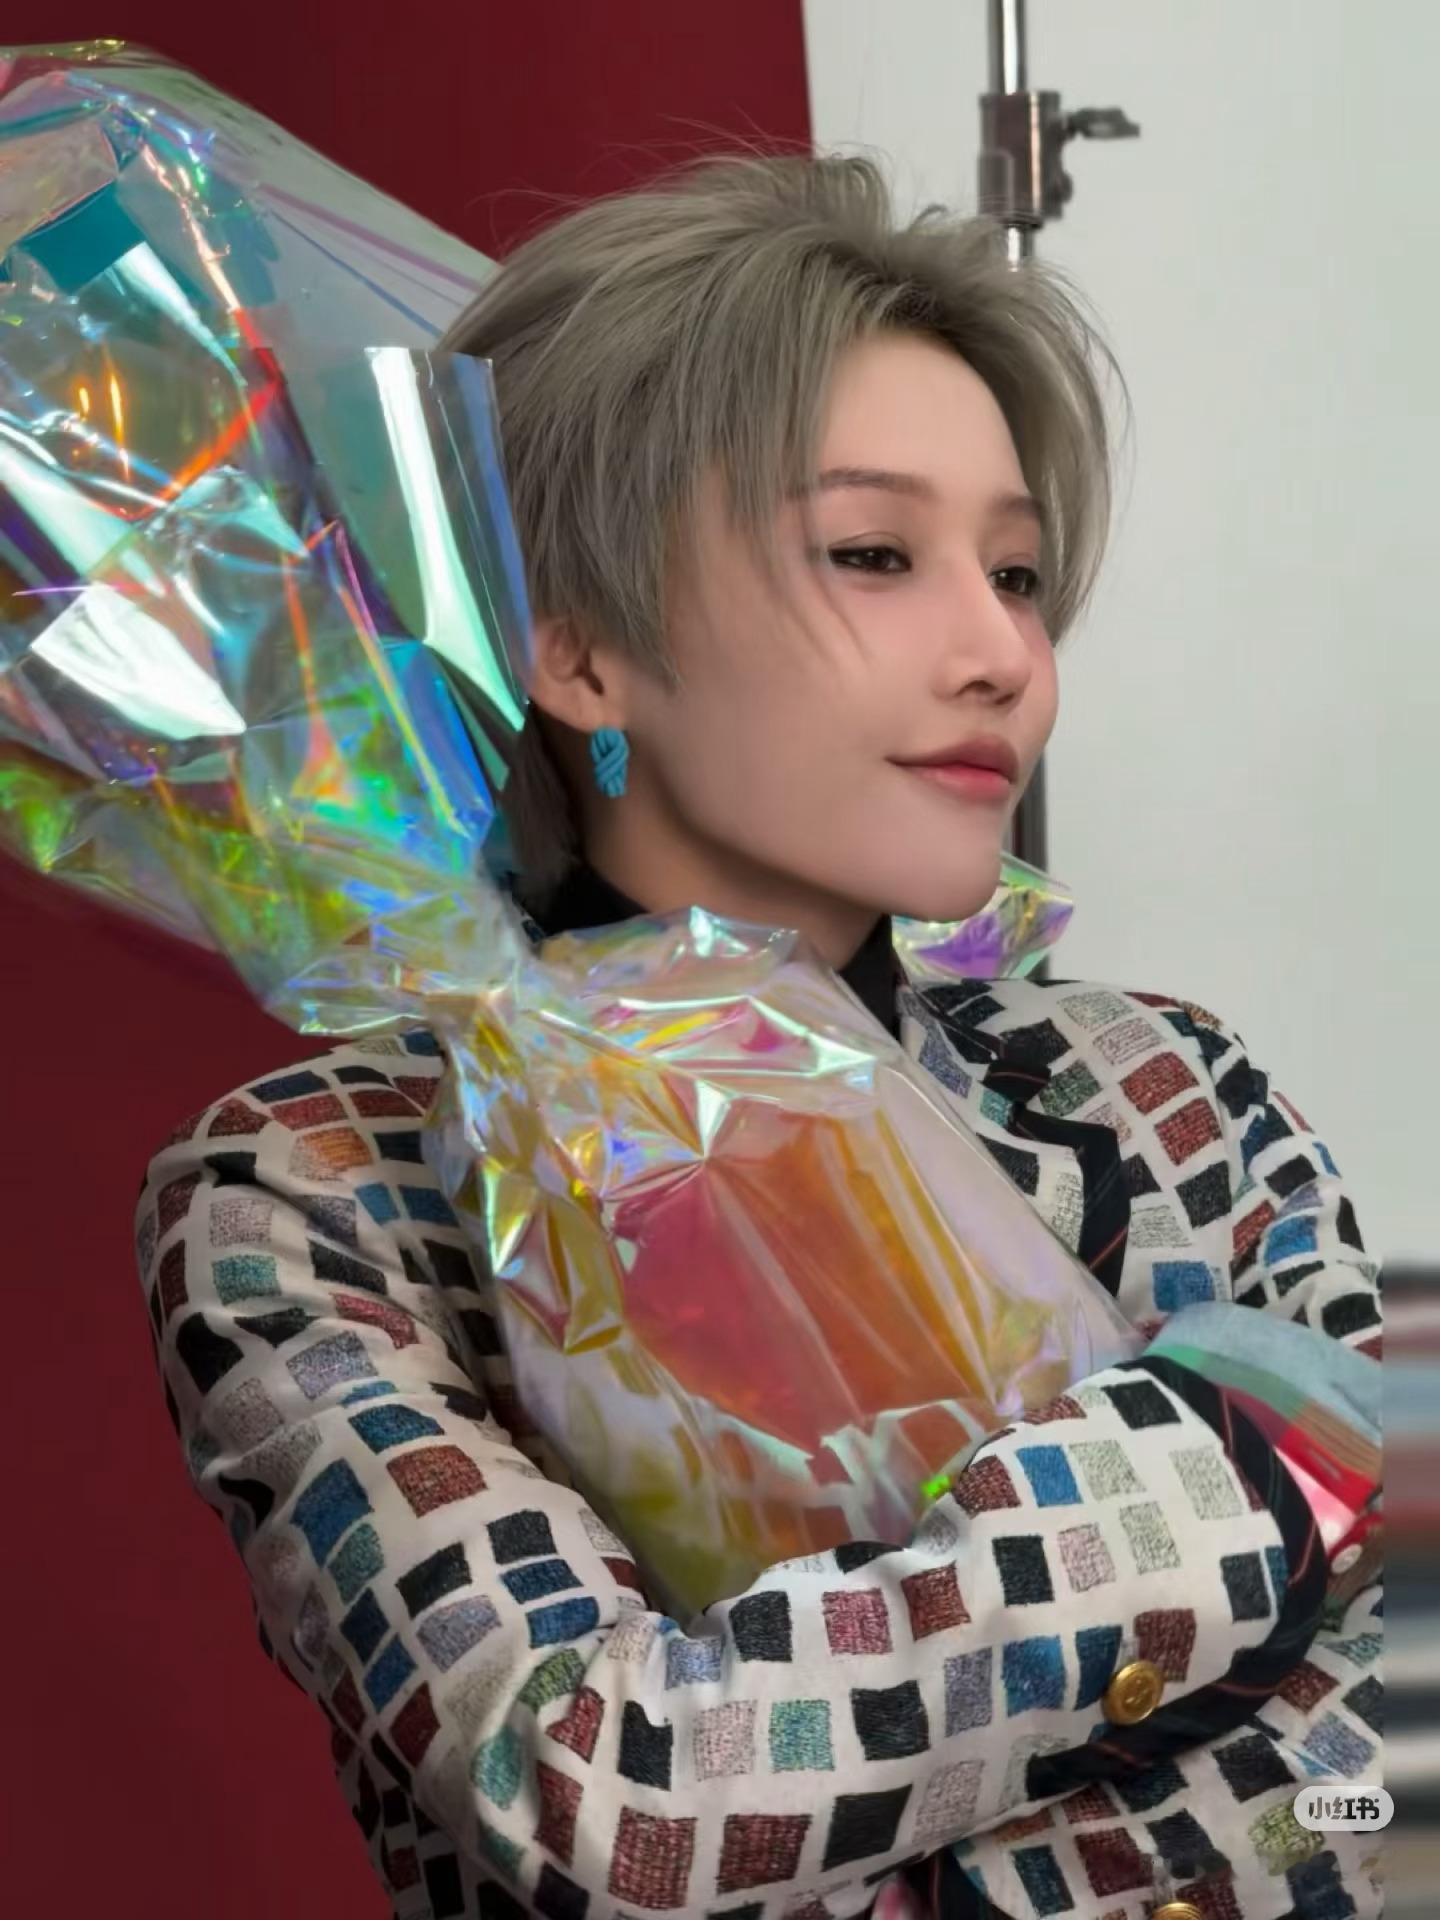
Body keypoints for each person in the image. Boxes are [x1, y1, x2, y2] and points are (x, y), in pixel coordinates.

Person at [136, 156, 1382, 1920]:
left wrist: (822, 1753)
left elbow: (1360, 1778)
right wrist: (1242, 1476)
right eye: (875, 554)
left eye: (1018, 572)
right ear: (579, 650)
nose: (1002, 655)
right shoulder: (311, 1196)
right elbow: (600, 1798)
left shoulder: (1173, 1095)